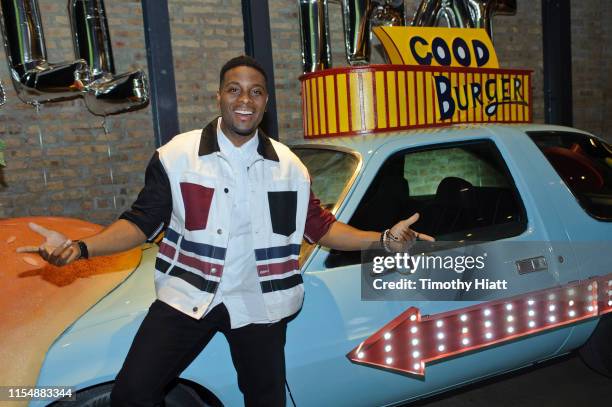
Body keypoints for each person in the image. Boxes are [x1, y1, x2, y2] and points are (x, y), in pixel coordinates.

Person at [18, 55, 433, 407]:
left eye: (255, 91)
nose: (244, 100)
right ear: (219, 96)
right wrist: (82, 248)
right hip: (188, 296)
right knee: (132, 393)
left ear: (265, 101)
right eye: (234, 89)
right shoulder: (177, 156)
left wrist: (382, 240)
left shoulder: (289, 166)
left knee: (264, 398)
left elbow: (322, 229)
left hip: (261, 303)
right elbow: (140, 223)